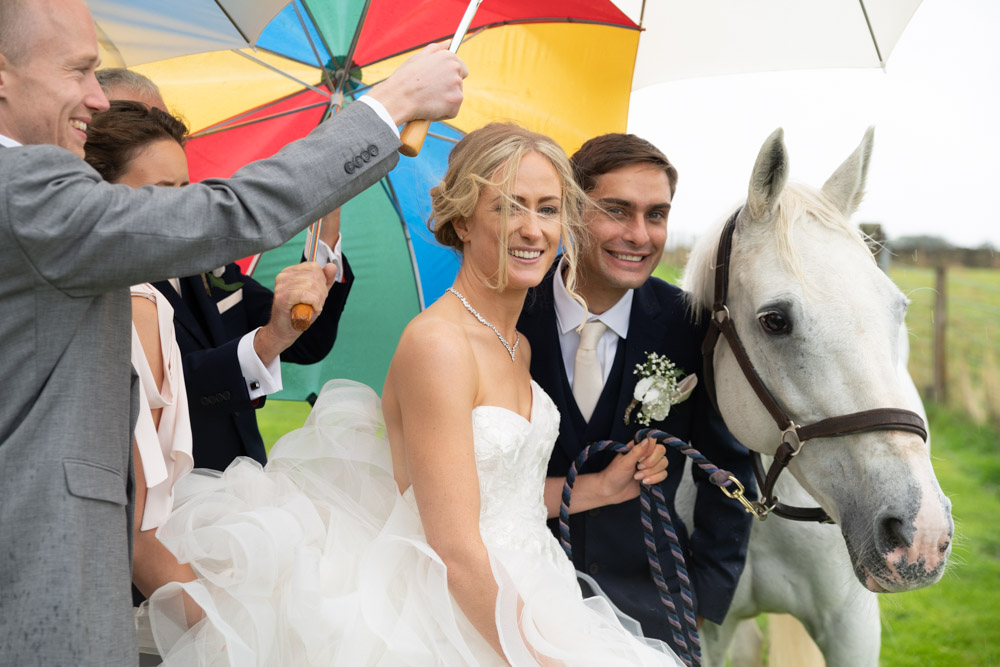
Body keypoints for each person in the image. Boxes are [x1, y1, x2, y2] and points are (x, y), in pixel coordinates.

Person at [0, 0, 466, 662]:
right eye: (80, 71)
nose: (98, 97)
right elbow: (228, 213)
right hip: (47, 573)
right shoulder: (25, 184)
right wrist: (389, 108)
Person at [139, 123, 685, 665]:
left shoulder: (516, 346)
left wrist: (598, 489)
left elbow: (495, 499)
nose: (533, 229)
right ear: (465, 220)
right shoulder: (439, 344)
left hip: (537, 586)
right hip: (457, 614)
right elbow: (453, 547)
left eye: (548, 209)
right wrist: (542, 659)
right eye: (509, 207)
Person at [517, 133, 755, 650]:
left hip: (651, 614)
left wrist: (702, 596)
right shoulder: (510, 313)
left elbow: (730, 468)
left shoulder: (690, 325)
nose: (639, 235)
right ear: (572, 210)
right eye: (617, 210)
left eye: (656, 215)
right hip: (519, 596)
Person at [96, 69, 355, 471]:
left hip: (242, 485)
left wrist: (327, 220)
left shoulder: (204, 256)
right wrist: (267, 342)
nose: (156, 137)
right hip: (167, 497)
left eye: (160, 125)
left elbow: (307, 342)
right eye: (132, 124)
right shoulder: (94, 275)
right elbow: (165, 389)